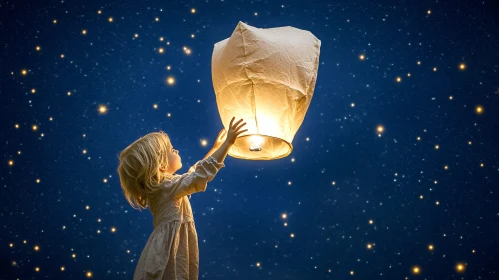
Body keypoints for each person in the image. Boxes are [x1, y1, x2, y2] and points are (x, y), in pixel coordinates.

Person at [117, 117, 247, 280]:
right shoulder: (166, 187)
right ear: (161, 165)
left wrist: (216, 147)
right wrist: (227, 143)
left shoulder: (166, 187)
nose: (176, 151)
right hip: (169, 250)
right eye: (172, 150)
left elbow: (195, 173)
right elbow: (199, 175)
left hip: (169, 245)